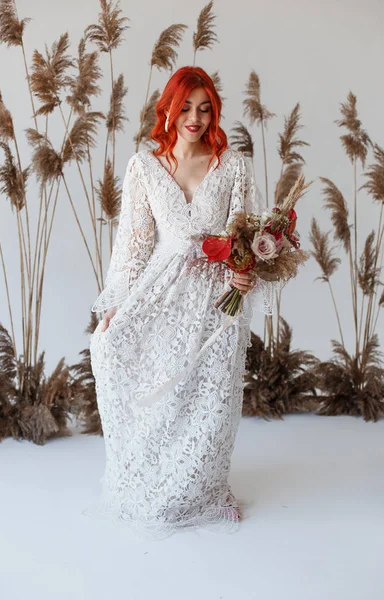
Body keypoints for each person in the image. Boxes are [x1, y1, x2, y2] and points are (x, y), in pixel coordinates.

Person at [83, 66, 279, 540]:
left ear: (214, 113)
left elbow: (241, 236)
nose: (194, 116)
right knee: (123, 359)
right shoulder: (144, 167)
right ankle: (150, 481)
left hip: (217, 296)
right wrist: (114, 305)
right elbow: (132, 246)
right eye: (185, 106)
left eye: (205, 108)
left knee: (213, 394)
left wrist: (244, 271)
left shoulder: (231, 164)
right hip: (163, 290)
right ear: (168, 108)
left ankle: (209, 490)